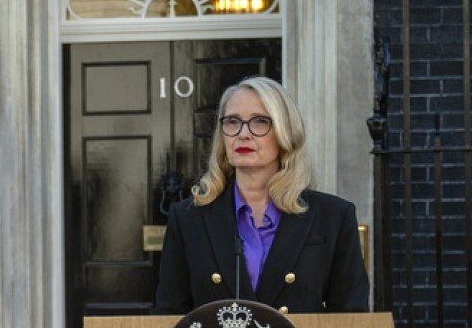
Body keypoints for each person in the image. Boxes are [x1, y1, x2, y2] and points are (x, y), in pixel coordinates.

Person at [152, 76, 369, 315]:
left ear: (285, 132)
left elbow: (351, 321)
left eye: (260, 122)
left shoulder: (333, 217)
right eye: (233, 122)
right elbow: (168, 318)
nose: (243, 134)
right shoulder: (189, 218)